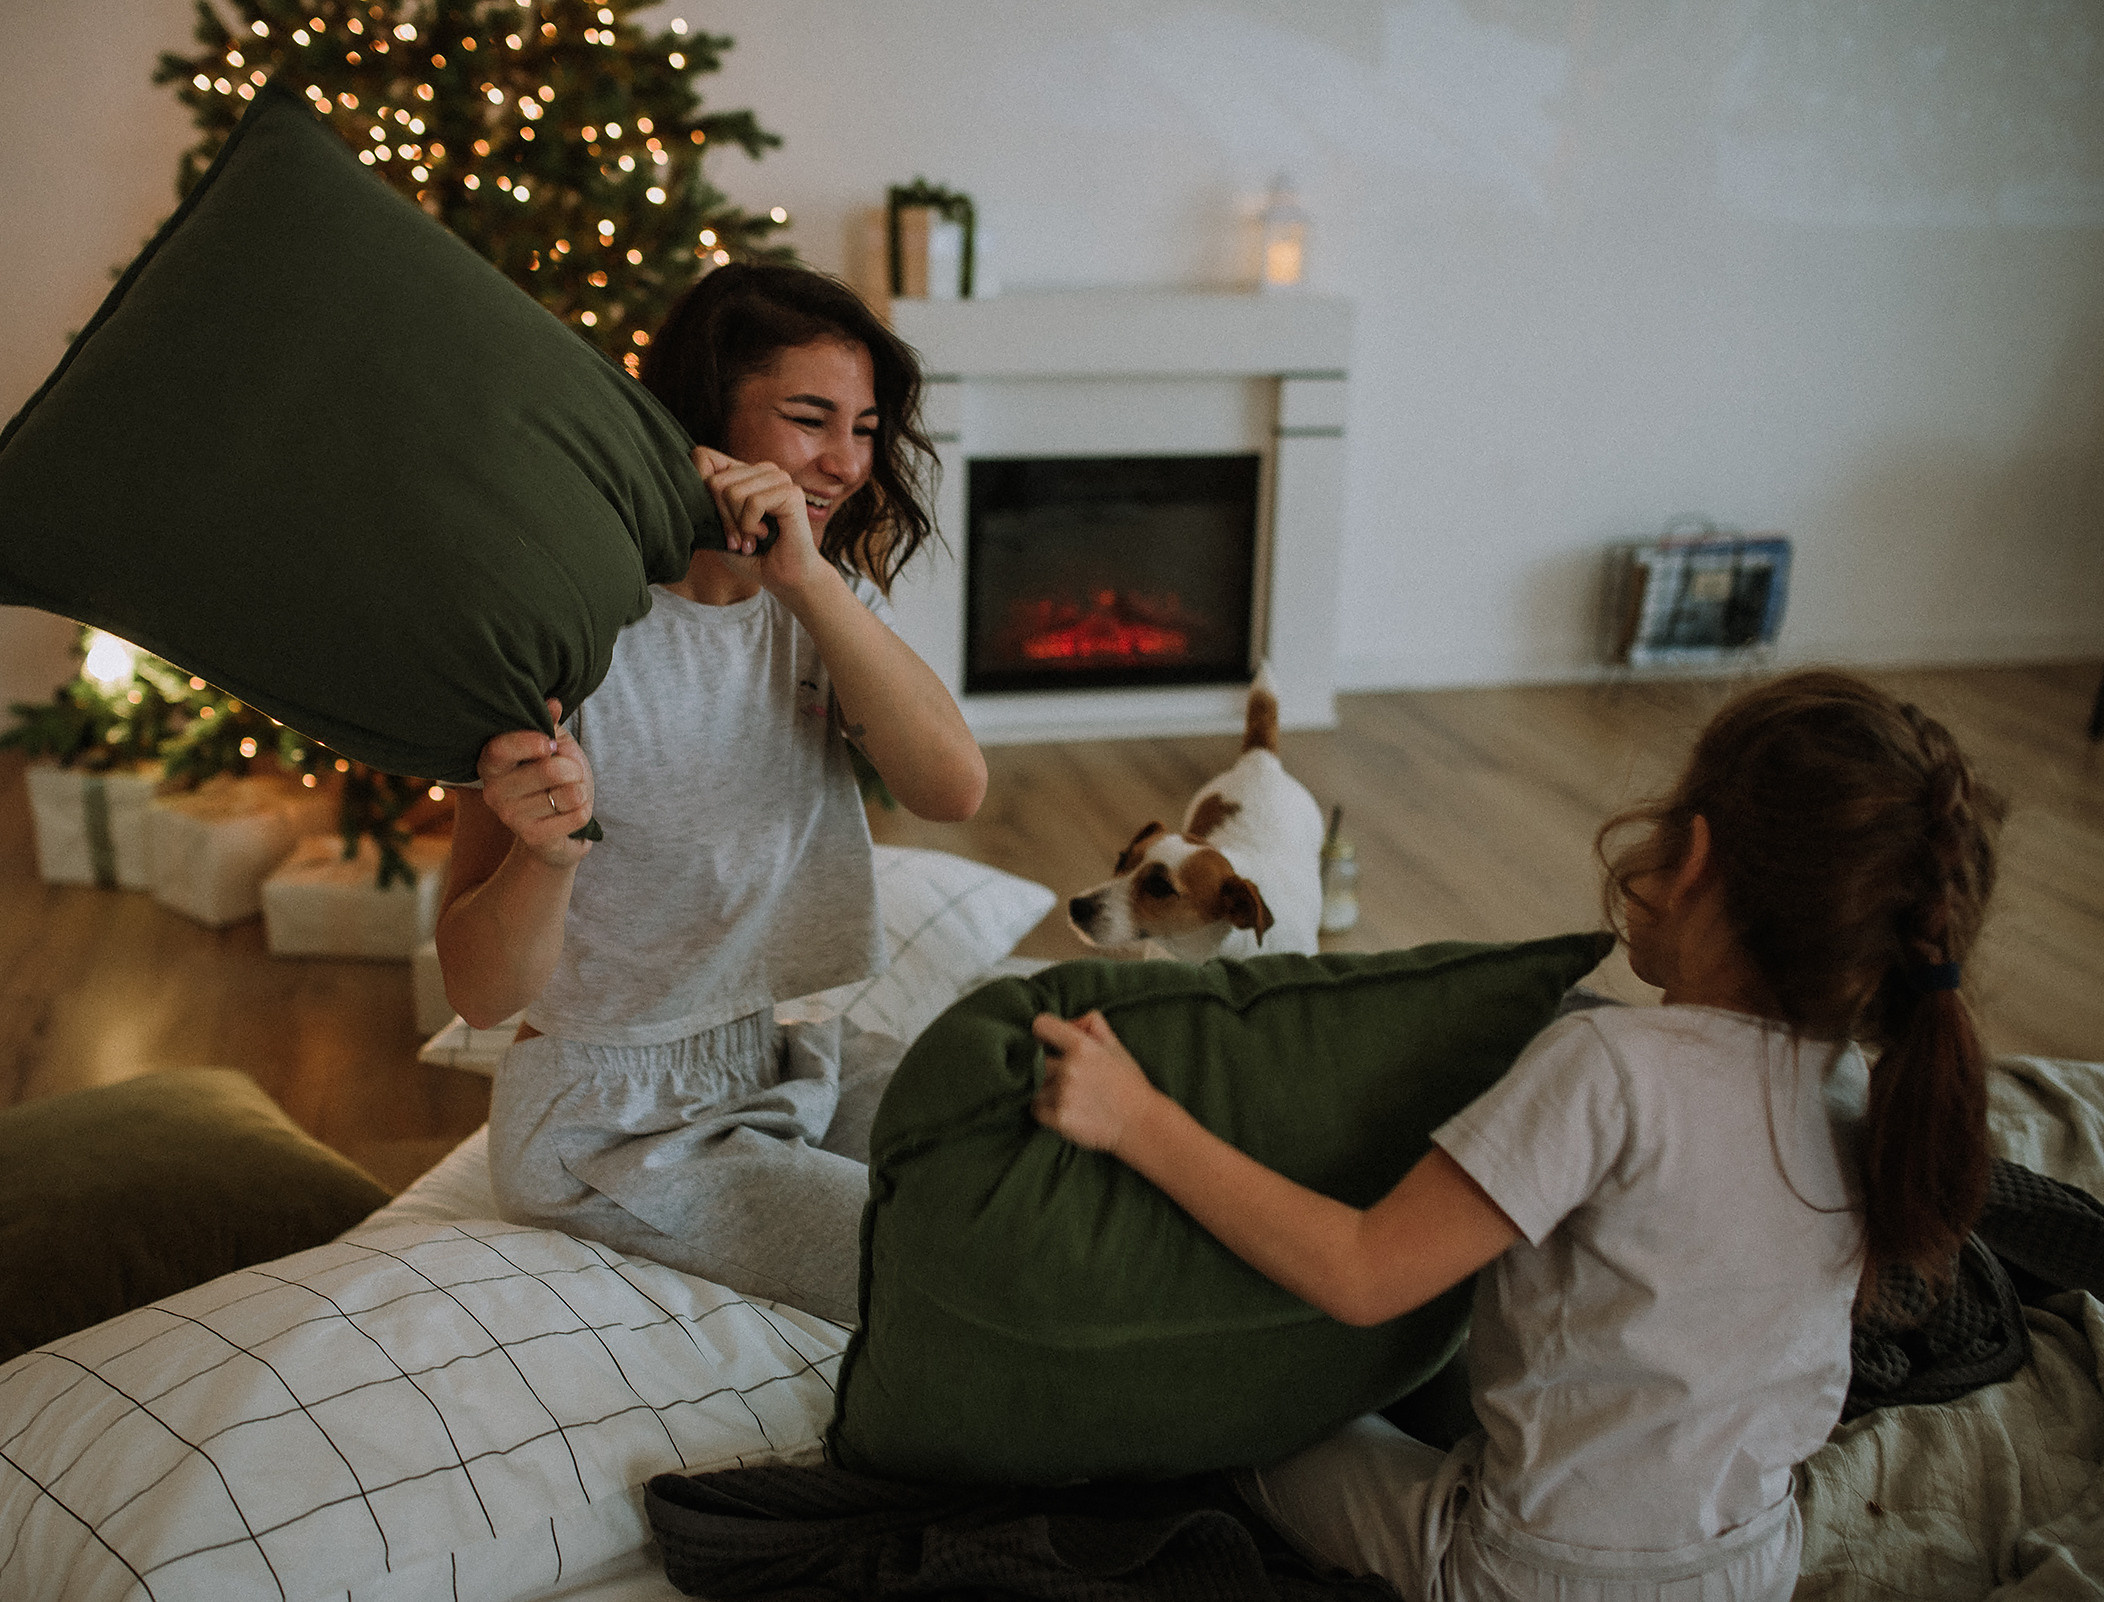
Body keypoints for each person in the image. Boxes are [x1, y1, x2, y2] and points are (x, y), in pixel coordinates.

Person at [1029, 670, 2004, 1601]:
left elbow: (1362, 1274)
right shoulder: (1849, 1081)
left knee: (1247, 1416)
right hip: (1752, 1569)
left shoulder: (1608, 1066)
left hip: (1526, 1578)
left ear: (1694, 856)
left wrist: (1137, 1117)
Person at [436, 263, 986, 1325]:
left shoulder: (819, 606)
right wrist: (546, 853)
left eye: (866, 428)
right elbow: (480, 991)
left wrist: (815, 585)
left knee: (1034, 1139)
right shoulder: (568, 640)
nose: (845, 461)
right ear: (706, 416)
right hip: (609, 1124)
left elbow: (951, 788)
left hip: (778, 1056)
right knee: (952, 1273)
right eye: (810, 419)